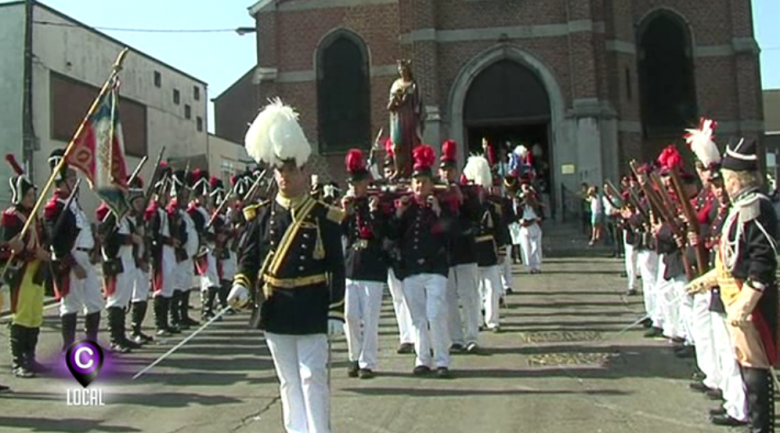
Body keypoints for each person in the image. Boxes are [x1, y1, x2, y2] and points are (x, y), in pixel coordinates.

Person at [229, 99, 346, 433]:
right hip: (276, 306)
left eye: (290, 169)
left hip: (311, 305)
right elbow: (249, 256)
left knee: (313, 378)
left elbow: (337, 267)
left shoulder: (324, 216)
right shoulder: (261, 214)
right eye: (279, 170)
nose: (284, 177)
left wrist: (336, 310)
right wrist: (241, 283)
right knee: (288, 381)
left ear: (304, 171)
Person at [387, 145, 453, 378]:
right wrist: (398, 214)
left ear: (430, 184)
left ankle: (443, 360)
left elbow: (448, 232)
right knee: (417, 318)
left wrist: (437, 212)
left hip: (435, 267)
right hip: (412, 269)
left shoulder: (441, 206)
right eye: (416, 182)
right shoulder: (407, 208)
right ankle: (422, 358)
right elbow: (393, 234)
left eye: (423, 182)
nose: (419, 186)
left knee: (435, 314)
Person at [44, 149, 103, 351]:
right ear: (60, 180)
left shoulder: (74, 204)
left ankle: (91, 344)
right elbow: (56, 241)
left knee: (94, 302)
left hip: (84, 256)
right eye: (70, 176)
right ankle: (68, 347)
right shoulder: (54, 207)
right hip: (71, 259)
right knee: (71, 304)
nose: (74, 179)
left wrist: (94, 248)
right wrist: (73, 263)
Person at [1, 154, 50, 378]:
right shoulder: (11, 217)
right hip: (20, 271)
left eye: (33, 195)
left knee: (34, 315)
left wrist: (45, 254)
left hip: (37, 270)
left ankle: (31, 358)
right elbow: (11, 244)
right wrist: (34, 253)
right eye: (29, 195)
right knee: (20, 316)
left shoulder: (34, 216)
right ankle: (19, 361)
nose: (32, 198)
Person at [341, 149, 387, 379]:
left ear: (367, 182)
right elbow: (340, 234)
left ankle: (367, 361)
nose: (355, 188)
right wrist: (344, 214)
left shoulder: (376, 204)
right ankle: (353, 355)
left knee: (370, 318)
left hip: (372, 267)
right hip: (351, 267)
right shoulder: (350, 206)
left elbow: (382, 235)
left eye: (359, 183)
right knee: (350, 315)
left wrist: (374, 213)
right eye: (352, 184)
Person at [440, 140, 482, 354]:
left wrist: (462, 199)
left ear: (456, 171)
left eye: (450, 170)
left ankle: (472, 336)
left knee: (469, 296)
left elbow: (477, 216)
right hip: (446, 252)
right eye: (443, 170)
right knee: (449, 299)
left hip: (465, 249)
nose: (446, 174)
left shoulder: (468, 191)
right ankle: (455, 338)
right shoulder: (437, 194)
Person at [96, 178, 146, 353]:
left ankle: (122, 336)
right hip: (116, 263)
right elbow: (106, 238)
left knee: (123, 300)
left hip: (127, 262)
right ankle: (115, 339)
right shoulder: (111, 215)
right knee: (115, 301)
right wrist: (130, 238)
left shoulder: (124, 218)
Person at [388, 59, 424, 179]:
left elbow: (418, 103)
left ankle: (413, 168)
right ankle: (398, 170)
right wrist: (395, 101)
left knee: (412, 144)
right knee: (398, 146)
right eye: (400, 69)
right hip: (398, 118)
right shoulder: (396, 84)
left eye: (404, 69)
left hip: (410, 117)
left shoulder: (413, 84)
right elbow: (390, 106)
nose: (402, 71)